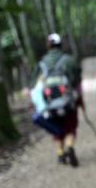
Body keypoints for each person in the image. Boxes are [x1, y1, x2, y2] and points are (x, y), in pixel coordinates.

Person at [31, 33, 82, 167]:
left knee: (57, 128)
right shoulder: (68, 60)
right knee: (70, 126)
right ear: (60, 45)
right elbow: (76, 80)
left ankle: (60, 153)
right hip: (68, 102)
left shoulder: (41, 64)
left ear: (48, 45)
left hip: (49, 103)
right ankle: (70, 146)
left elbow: (34, 86)